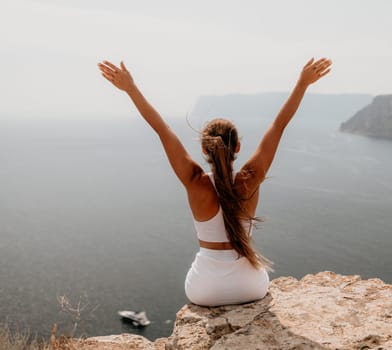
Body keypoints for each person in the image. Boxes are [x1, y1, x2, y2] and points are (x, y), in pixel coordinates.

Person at [97, 57, 332, 306]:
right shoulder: (249, 179)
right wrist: (303, 83)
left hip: (205, 290)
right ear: (238, 146)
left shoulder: (195, 181)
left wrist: (131, 89)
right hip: (251, 286)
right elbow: (279, 124)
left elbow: (162, 129)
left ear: (205, 150)